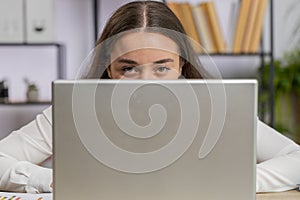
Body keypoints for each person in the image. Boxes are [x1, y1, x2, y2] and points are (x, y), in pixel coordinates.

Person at [0, 0, 300, 194]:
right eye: (129, 68)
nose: (145, 83)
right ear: (108, 67)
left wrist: (232, 181)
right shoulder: (74, 111)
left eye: (161, 67)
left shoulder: (215, 108)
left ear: (181, 64)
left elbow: (296, 159)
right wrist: (49, 181)